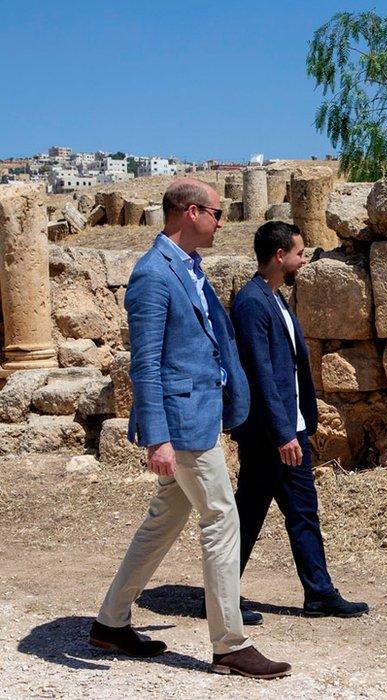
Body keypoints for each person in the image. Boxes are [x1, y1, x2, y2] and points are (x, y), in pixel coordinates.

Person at [89, 179, 291, 680]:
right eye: (217, 214)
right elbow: (146, 365)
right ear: (190, 212)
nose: (223, 223)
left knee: (163, 519)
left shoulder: (187, 268)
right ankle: (229, 645)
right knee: (222, 517)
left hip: (196, 416)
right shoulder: (153, 276)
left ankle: (111, 622)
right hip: (181, 427)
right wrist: (157, 436)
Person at [230, 221, 369, 619]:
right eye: (300, 253)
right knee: (250, 511)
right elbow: (260, 375)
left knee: (299, 511)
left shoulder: (275, 298)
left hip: (289, 429)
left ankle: (319, 592)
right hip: (270, 435)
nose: (303, 261)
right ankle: (222, 594)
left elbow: (288, 370)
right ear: (279, 256)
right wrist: (282, 433)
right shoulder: (252, 303)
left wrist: (299, 425)